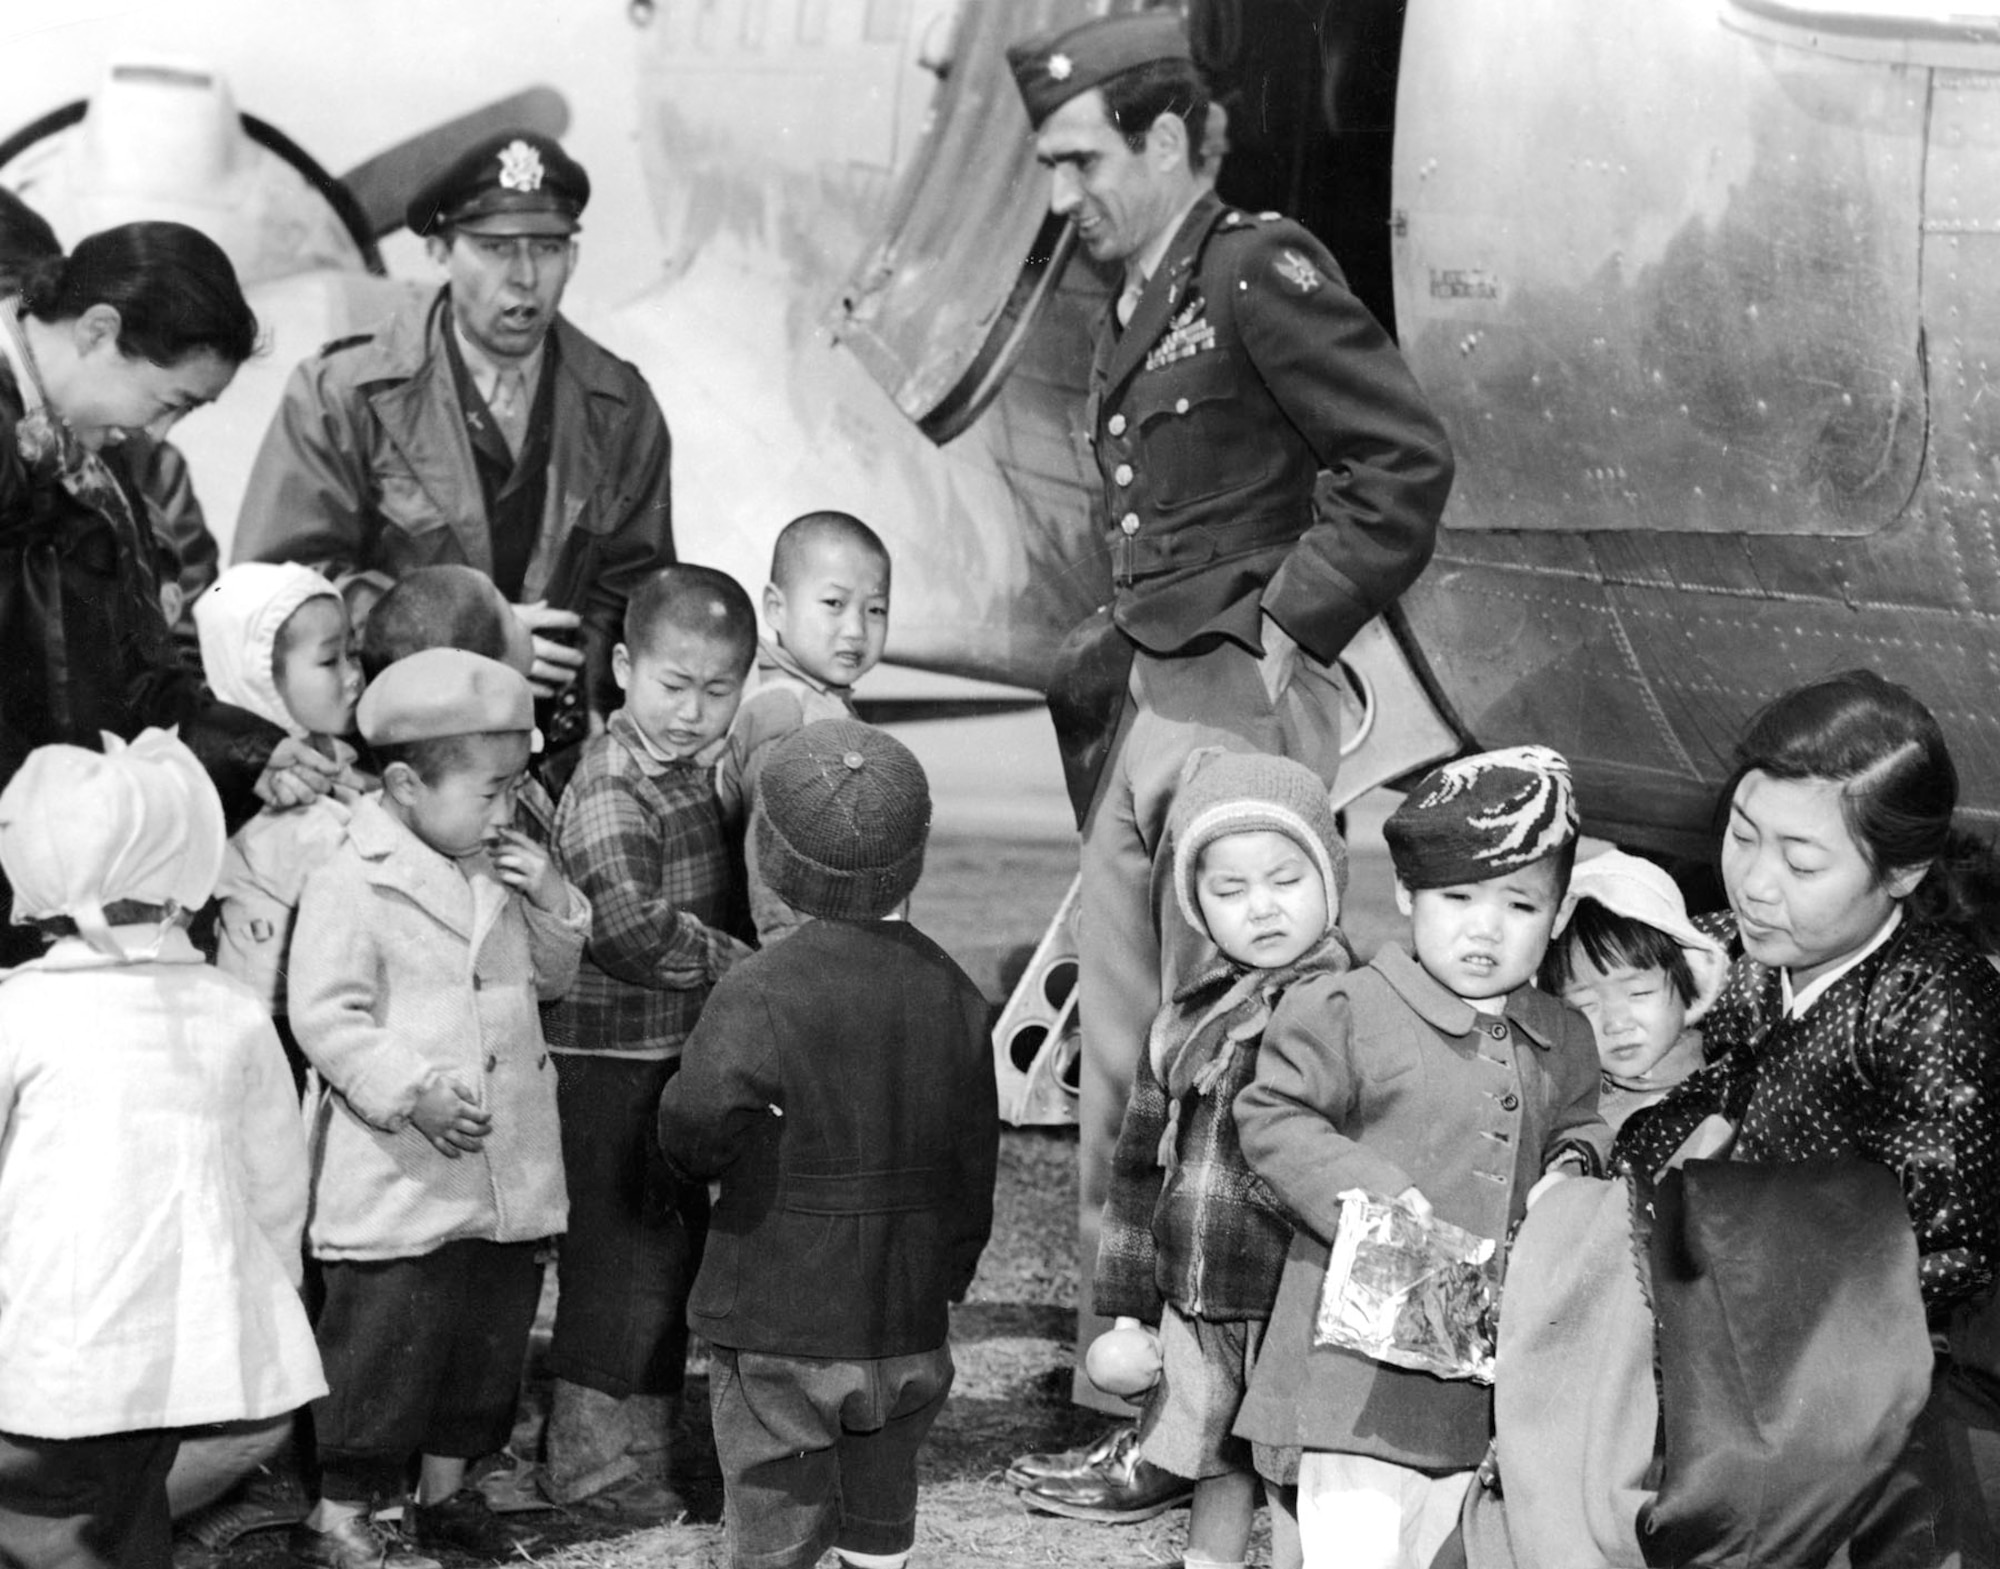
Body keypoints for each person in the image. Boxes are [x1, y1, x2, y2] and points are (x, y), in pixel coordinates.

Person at [1000, 12, 1455, 1505]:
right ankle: (1121, 1382)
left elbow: (1399, 463)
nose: (1065, 197)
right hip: (1154, 702)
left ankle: (1205, 1442)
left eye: (1084, 163)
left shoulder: (1256, 267)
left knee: (1221, 1087)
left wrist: (1293, 624)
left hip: (1239, 724)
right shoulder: (1148, 287)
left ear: (1174, 138)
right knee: (1127, 1066)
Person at [1613, 669, 2000, 1563]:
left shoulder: (1936, 996)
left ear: (1900, 872)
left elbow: (1941, 1241)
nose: (1754, 881)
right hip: (1709, 1322)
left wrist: (1727, 1215)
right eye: (1743, 836)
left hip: (1861, 1383)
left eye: (1802, 861)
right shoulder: (1744, 956)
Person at [1232, 746, 1609, 1569]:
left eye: (1519, 903)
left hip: (1481, 1384)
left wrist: (1574, 1162)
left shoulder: (1564, 1034)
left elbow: (1585, 1115)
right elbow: (1271, 1112)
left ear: (1556, 911)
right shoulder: (1349, 1007)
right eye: (1457, 898)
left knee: (1456, 1548)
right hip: (1354, 1376)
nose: (1485, 926)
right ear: (1406, 893)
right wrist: (1371, 1193)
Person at [658, 719, 999, 1569]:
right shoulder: (955, 990)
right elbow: (972, 1166)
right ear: (913, 854)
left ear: (771, 856)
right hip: (907, 1315)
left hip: (779, 1316)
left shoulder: (758, 991)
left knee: (774, 1520)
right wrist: (945, 1273)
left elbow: (692, 1131)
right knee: (882, 1510)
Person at [286, 649, 590, 1569]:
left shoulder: (493, 855)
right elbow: (323, 1014)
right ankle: (344, 1508)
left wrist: (551, 899)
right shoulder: (350, 875)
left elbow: (551, 981)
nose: (509, 810)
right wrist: (409, 1091)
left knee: (484, 1345)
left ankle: (448, 1492)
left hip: (504, 1174)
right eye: (492, 790)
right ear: (408, 783)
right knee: (381, 1346)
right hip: (402, 1175)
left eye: (517, 787)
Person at [233, 129, 676, 753]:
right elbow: (276, 592)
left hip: (560, 751)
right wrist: (460, 631)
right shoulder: (341, 392)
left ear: (572, 258)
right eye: (495, 248)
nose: (524, 278)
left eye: (547, 247)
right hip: (386, 751)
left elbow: (637, 588)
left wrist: (598, 711)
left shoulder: (623, 406)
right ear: (439, 252)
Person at [0, 729, 324, 1569]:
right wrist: (265, 1301)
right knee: (124, 1515)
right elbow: (278, 1189)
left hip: (37, 1355)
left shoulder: (19, 1014)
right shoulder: (232, 1010)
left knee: (48, 1519)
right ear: (188, 883)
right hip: (178, 1357)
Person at [0, 220, 341, 965]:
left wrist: (247, 749)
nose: (160, 431)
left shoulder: (98, 459)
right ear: (97, 330)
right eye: (167, 401)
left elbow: (130, 668)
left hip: (59, 877)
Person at [1054, 751, 1352, 1568]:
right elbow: (1136, 1174)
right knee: (1215, 1459)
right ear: (1197, 905)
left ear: (1330, 875)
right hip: (1203, 1296)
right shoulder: (1181, 1022)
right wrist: (1126, 1308)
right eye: (1229, 890)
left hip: (1304, 1297)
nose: (1261, 907)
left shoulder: (1357, 1010)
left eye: (1286, 878)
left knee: (1298, 1472)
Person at [542, 565, 757, 1516]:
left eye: (719, 691)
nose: (693, 710)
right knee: (619, 1266)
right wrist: (740, 962)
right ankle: (584, 1468)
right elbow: (623, 924)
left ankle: (645, 1450)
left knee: (668, 1260)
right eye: (674, 686)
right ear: (623, 666)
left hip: (666, 1056)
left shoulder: (696, 772)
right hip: (607, 1065)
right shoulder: (613, 780)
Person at [195, 561, 368, 1091]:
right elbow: (336, 864)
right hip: (273, 1024)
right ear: (260, 682)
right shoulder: (261, 803)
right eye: (330, 660)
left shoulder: (334, 764)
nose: (353, 674)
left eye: (353, 654)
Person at [717, 510, 890, 944]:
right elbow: (771, 867)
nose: (855, 629)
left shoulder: (818, 702)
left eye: (875, 609)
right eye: (834, 604)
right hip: (802, 952)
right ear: (775, 608)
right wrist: (796, 964)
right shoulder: (787, 716)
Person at [1539, 848, 1727, 1135]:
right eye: (1586, 1003)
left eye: (1639, 993)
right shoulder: (1550, 1085)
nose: (1617, 1023)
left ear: (1687, 985)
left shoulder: (1702, 1113)